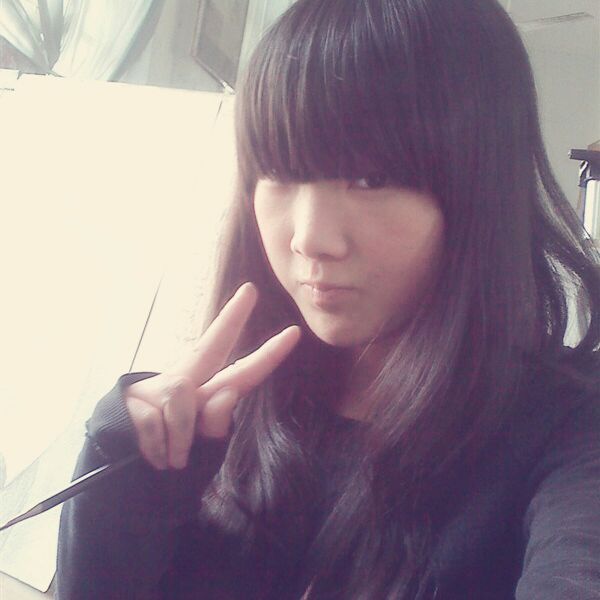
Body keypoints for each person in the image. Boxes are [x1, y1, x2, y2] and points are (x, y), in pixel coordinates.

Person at [56, 0, 600, 598]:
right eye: (279, 172)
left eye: (371, 179)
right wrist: (121, 473)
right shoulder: (220, 417)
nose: (310, 238)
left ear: (480, 188)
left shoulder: (571, 426)